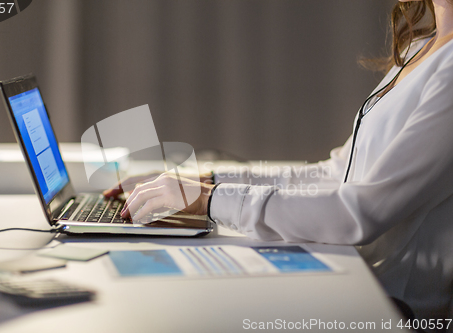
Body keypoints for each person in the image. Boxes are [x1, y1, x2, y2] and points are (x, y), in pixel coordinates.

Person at [104, 0, 453, 321]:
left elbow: (361, 213)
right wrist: (205, 181)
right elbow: (335, 173)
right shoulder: (417, 49)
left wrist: (208, 200)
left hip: (391, 306)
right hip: (350, 275)